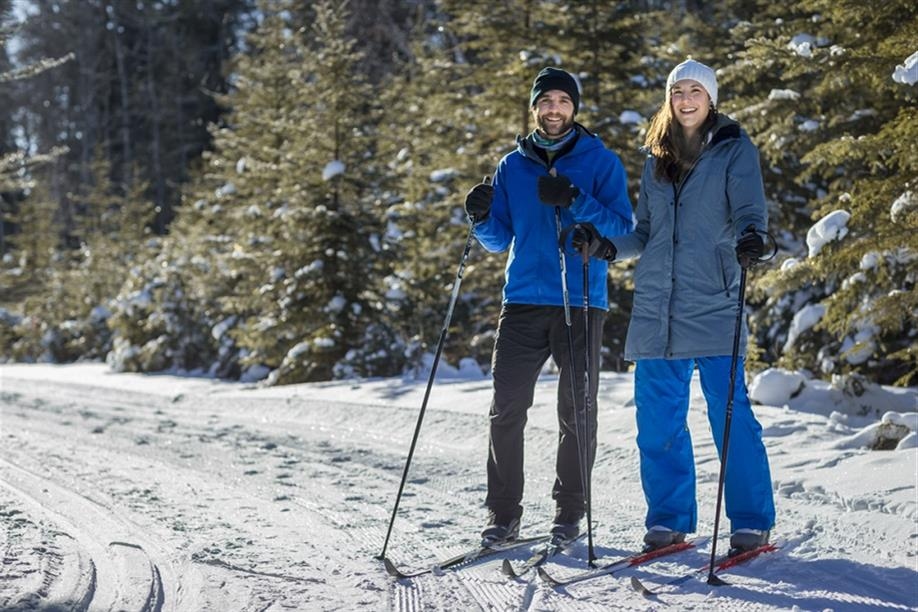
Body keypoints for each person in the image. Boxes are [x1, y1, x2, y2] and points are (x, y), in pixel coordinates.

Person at [573, 58, 776, 553]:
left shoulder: (733, 148)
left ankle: (752, 521)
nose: (686, 100)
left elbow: (751, 214)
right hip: (656, 308)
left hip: (714, 301)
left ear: (711, 99)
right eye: (678, 91)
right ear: (669, 99)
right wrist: (606, 246)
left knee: (730, 417)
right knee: (657, 423)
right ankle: (668, 519)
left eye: (695, 91)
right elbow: (644, 232)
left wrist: (754, 240)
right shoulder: (656, 156)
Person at [463, 67, 633, 546]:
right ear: (534, 107)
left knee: (576, 410)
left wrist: (576, 199)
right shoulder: (511, 166)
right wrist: (479, 217)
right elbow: (499, 239)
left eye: (562, 101)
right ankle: (503, 515)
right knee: (506, 409)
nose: (553, 109)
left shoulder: (600, 161)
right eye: (546, 101)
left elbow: (623, 228)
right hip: (521, 300)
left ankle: (569, 513)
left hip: (580, 299)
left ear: (574, 108)